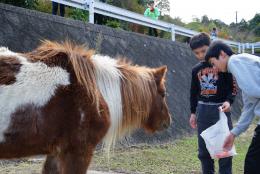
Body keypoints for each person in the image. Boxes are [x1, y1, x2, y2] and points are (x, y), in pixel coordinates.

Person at [205, 41, 260, 174]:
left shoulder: (235, 61)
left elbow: (254, 92)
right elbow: (249, 107)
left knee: (253, 163)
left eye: (213, 63)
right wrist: (233, 133)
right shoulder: (243, 66)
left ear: (222, 54)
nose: (215, 67)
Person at [189, 33, 237, 174]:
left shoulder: (223, 65)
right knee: (204, 151)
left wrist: (229, 101)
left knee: (225, 150)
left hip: (221, 111)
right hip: (202, 112)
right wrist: (193, 113)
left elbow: (233, 87)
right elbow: (193, 93)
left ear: (210, 47)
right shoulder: (195, 70)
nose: (201, 55)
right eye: (196, 53)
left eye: (203, 51)